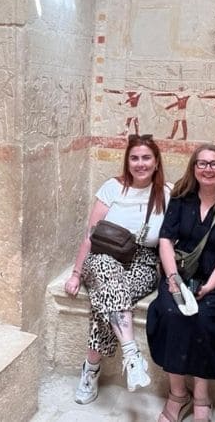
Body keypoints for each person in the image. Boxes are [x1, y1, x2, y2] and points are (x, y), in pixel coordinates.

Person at [63, 134, 171, 404]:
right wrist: (76, 273)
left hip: (143, 262)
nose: (140, 163)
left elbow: (171, 239)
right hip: (103, 256)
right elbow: (91, 234)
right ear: (127, 162)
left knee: (107, 298)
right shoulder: (112, 187)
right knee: (106, 274)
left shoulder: (167, 193)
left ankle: (91, 368)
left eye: (146, 158)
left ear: (156, 162)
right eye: (134, 158)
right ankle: (131, 355)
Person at [147, 144, 215, 422]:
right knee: (171, 313)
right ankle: (178, 395)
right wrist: (171, 279)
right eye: (202, 163)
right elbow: (166, 239)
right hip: (180, 275)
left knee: (203, 318)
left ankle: (202, 394)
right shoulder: (182, 198)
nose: (208, 169)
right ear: (193, 168)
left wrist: (208, 287)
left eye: (214, 164)